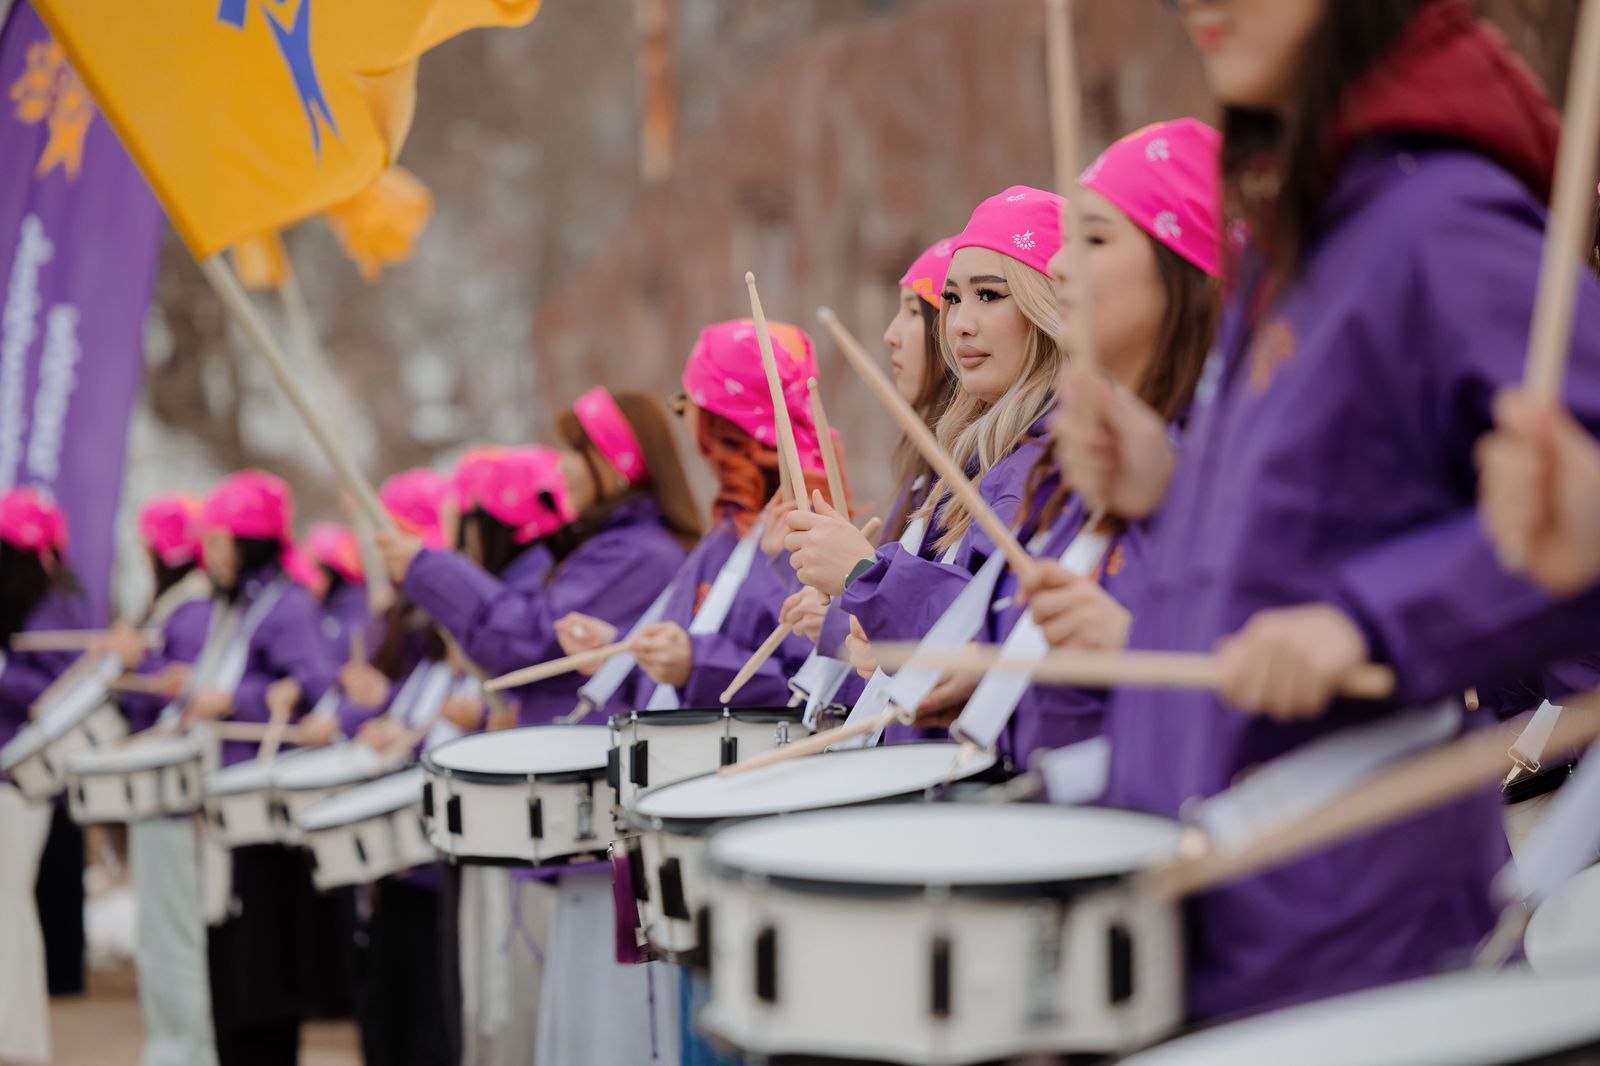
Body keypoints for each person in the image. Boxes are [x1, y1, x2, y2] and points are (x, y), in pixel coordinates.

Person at [1054, 0, 1600, 1019]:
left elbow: (1581, 512)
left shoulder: (1438, 219)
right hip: (1223, 915)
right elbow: (1326, 524)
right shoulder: (1302, 241)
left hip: (1352, 935)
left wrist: (1372, 619)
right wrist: (1169, 489)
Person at [784, 186, 1065, 729]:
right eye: (952, 299)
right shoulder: (978, 459)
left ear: (1048, 305)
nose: (957, 324)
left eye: (989, 295)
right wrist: (857, 615)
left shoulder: (1041, 468)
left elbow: (992, 634)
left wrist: (863, 575)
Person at [1004, 117, 1222, 763]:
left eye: (1093, 238)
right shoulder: (1084, 466)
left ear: (1186, 269)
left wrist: (1138, 645)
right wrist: (996, 682)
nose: (1056, 265)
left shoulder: (1250, 464)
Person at [195, 470, 339, 1065]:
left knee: (263, 965)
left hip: (267, 811)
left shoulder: (288, 607)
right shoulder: (243, 605)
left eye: (219, 540)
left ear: (248, 541)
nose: (209, 553)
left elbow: (317, 689)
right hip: (231, 802)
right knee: (230, 957)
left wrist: (239, 701)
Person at [0, 487, 82, 1066]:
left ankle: (18, 1039)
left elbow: (61, 693)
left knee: (9, 904)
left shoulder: (51, 604)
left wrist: (5, 674)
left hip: (21, 778)